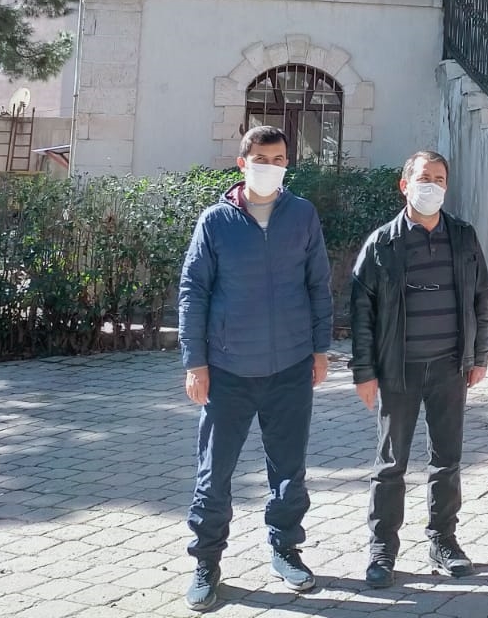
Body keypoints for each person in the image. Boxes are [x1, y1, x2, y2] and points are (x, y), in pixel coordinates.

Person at [177, 126, 333, 612]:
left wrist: (320, 350)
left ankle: (286, 549)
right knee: (213, 474)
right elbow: (193, 291)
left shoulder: (302, 215)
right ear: (242, 162)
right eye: (261, 158)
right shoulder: (215, 221)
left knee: (289, 471)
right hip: (227, 371)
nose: (271, 166)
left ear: (288, 164)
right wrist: (195, 362)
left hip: (290, 367)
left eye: (279, 158)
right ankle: (206, 563)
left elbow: (319, 285)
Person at [350, 151, 488, 589]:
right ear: (405, 185)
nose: (432, 185)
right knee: (391, 464)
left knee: (447, 461)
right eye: (424, 177)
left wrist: (479, 356)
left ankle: (443, 542)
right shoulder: (382, 244)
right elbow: (361, 313)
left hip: (450, 368)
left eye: (439, 179)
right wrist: (364, 371)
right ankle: (382, 551)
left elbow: (481, 298)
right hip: (399, 371)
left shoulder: (463, 237)